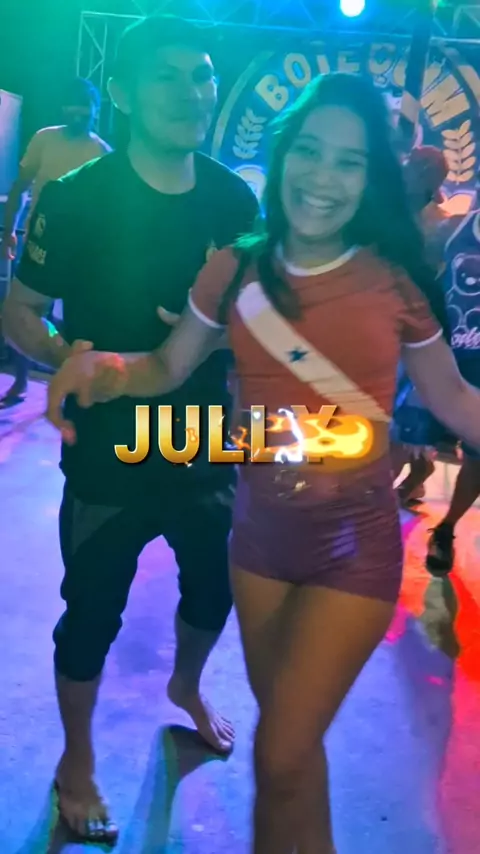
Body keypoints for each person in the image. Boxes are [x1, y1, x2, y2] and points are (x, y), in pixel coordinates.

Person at [44, 73, 480, 854]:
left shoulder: (395, 283)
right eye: (309, 151)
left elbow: (453, 399)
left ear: (371, 178)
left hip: (354, 548)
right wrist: (102, 367)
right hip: (260, 546)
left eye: (349, 162)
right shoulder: (235, 270)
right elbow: (164, 367)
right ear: (282, 159)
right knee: (291, 751)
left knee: (279, 751)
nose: (323, 177)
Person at [3, 16, 258, 844]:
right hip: (108, 449)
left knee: (212, 590)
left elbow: (257, 319)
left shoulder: (234, 200)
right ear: (121, 92)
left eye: (203, 75)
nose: (192, 93)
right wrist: (65, 356)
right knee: (91, 613)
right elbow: (20, 309)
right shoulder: (78, 197)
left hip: (205, 442)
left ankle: (186, 685)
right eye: (167, 76)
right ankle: (75, 762)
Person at [0, 78, 110, 405]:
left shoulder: (102, 152)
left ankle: (70, 377)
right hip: (38, 242)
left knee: (76, 320)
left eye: (85, 110)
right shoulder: (44, 138)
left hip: (81, 253)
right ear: (63, 108)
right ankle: (21, 381)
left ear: (95, 111)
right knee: (26, 313)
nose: (78, 115)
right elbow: (20, 188)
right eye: (73, 108)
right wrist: (9, 232)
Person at [390, 146, 455, 504]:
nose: (408, 171)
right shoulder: (387, 211)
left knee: (402, 411)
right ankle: (415, 472)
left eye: (416, 168)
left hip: (417, 325)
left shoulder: (440, 224)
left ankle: (394, 482)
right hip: (384, 317)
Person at [426, 194, 480, 575]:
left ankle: (445, 529)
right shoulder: (452, 229)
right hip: (439, 360)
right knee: (401, 442)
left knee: (477, 458)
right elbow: (421, 286)